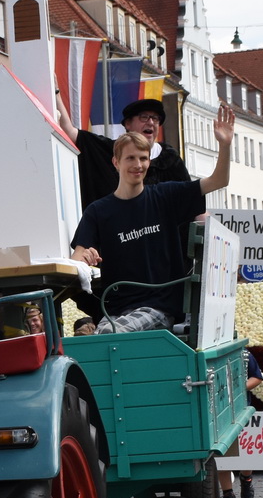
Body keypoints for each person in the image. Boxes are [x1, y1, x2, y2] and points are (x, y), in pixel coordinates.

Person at [68, 106, 238, 334]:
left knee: (108, 336)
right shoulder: (98, 211)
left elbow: (219, 181)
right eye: (130, 158)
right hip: (115, 309)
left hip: (160, 307)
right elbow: (77, 257)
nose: (138, 165)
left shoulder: (165, 196)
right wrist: (84, 258)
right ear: (116, 162)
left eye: (143, 158)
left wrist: (225, 145)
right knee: (95, 342)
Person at [58, 96, 195, 208]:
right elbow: (69, 132)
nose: (151, 122)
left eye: (155, 119)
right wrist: (57, 94)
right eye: (144, 117)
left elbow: (191, 199)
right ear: (128, 124)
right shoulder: (108, 150)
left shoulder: (170, 159)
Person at [218, 350, 263, 498]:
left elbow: (257, 377)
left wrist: (238, 389)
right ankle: (227, 494)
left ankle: (246, 479)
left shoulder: (244, 354)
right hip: (218, 412)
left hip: (240, 407)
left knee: (245, 451)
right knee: (222, 454)